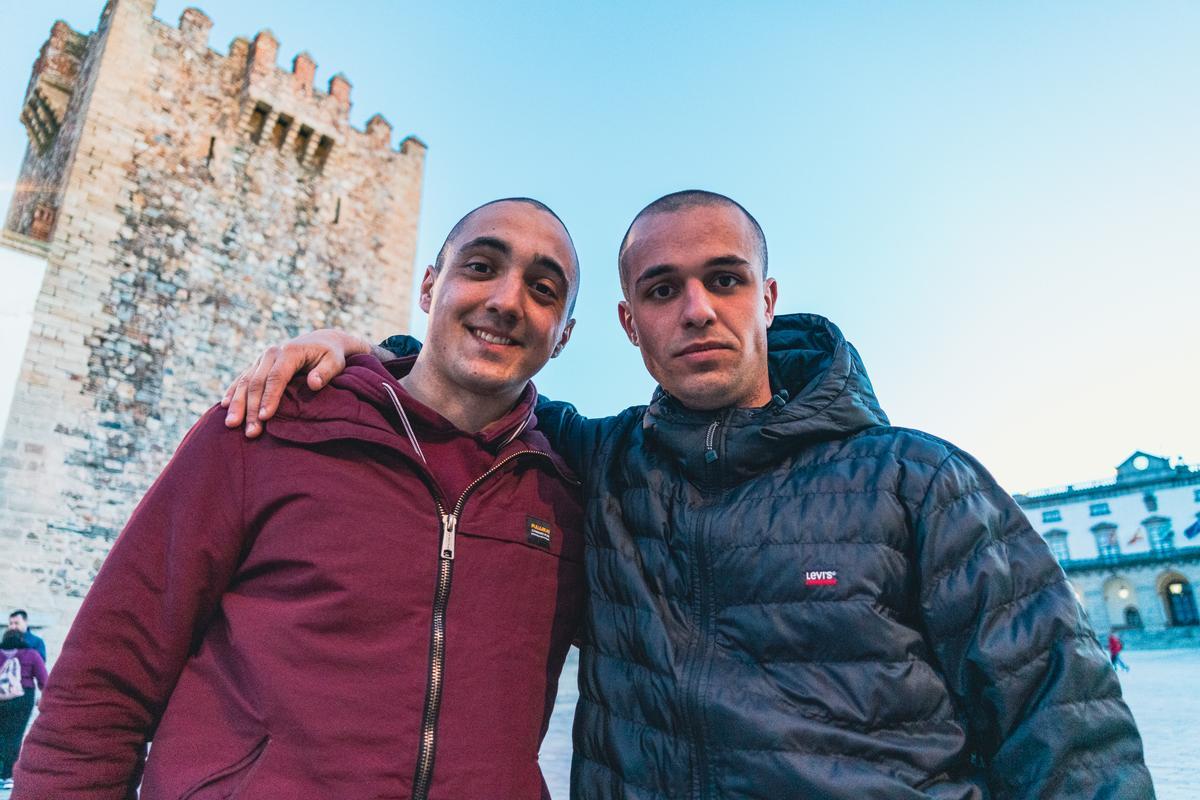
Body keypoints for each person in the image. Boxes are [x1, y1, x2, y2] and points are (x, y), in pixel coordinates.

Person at [224, 190, 1153, 798]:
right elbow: (471, 391)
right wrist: (365, 356)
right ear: (629, 324)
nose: (697, 309)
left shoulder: (918, 480)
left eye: (724, 280)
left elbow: (1066, 728)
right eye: (663, 289)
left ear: (768, 297)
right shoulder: (596, 462)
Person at [14, 198, 586, 799]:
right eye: (479, 266)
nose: (505, 300)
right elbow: (106, 679)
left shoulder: (567, 497)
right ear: (428, 285)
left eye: (543, 289)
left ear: (564, 336)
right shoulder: (268, 426)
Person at [0, 630, 47, 790]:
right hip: (22, 698)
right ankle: (8, 776)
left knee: (2, 735)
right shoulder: (31, 654)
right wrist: (45, 698)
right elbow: (43, 680)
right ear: (22, 639)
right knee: (15, 735)